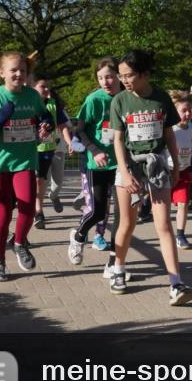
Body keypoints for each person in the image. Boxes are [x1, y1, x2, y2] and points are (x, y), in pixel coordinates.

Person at [107, 49, 192, 306]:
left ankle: (176, 283)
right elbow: (118, 140)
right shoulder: (120, 101)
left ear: (145, 74)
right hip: (130, 167)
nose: (124, 80)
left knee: (164, 225)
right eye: (121, 75)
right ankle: (118, 269)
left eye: (129, 75)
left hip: (157, 166)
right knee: (127, 223)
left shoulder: (161, 99)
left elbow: (168, 133)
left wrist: (176, 163)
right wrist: (124, 172)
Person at [0, 51, 54, 281]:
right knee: (2, 214)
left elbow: (46, 117)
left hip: (25, 160)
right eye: (13, 70)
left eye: (22, 70)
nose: (19, 74)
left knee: (28, 208)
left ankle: (19, 242)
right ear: (2, 73)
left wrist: (46, 125)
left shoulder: (32, 95)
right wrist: (3, 115)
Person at [68, 58, 121, 266]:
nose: (105, 82)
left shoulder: (125, 98)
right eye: (100, 78)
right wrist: (96, 151)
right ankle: (78, 236)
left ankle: (114, 264)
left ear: (118, 75)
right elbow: (79, 131)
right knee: (97, 210)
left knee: (120, 214)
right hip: (96, 164)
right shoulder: (94, 100)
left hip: (120, 164)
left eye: (108, 76)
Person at [32, 75, 73, 229]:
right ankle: (34, 209)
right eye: (43, 86)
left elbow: (63, 125)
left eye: (48, 86)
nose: (47, 89)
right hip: (28, 149)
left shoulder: (53, 105)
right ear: (33, 88)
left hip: (48, 149)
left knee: (41, 181)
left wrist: (69, 143)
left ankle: (39, 211)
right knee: (34, 181)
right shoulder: (27, 105)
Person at [168, 90, 192, 249]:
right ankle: (165, 233)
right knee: (163, 206)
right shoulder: (170, 129)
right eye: (183, 110)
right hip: (167, 171)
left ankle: (180, 234)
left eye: (190, 110)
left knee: (183, 203)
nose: (188, 114)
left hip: (183, 171)